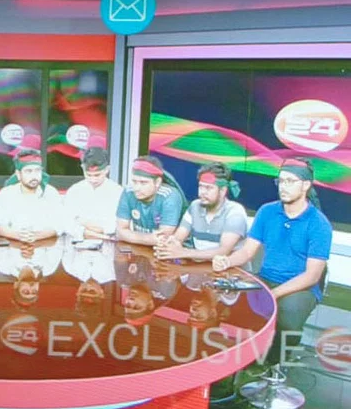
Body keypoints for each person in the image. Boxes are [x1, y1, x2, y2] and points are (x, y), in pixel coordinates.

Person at [213, 157, 333, 364]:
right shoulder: (267, 211)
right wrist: (227, 261)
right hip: (265, 279)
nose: (283, 187)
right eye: (281, 181)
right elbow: (247, 252)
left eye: (290, 181)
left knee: (286, 321)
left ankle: (272, 365)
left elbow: (312, 276)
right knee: (229, 306)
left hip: (300, 286)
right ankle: (237, 361)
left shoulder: (319, 224)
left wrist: (274, 294)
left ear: (305, 185)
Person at [155, 162, 250, 269]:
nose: (202, 192)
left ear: (223, 191)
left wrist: (183, 252)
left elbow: (223, 251)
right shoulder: (195, 206)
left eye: (208, 188)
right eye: (201, 187)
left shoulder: (235, 212)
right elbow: (178, 238)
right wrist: (168, 244)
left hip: (231, 272)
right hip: (199, 269)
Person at [0, 149, 63, 242]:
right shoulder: (6, 194)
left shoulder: (51, 193)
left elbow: (59, 224)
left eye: (37, 170)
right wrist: (18, 236)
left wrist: (37, 236)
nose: (34, 176)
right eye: (29, 171)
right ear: (18, 174)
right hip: (14, 245)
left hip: (44, 245)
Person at [116, 156, 186, 246]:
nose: (136, 188)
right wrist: (148, 239)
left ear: (157, 182)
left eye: (143, 183)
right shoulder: (128, 191)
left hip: (169, 250)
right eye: (134, 181)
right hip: (139, 247)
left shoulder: (169, 196)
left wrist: (131, 236)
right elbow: (120, 232)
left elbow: (163, 239)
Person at [63, 147, 123, 240]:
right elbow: (67, 223)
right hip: (78, 243)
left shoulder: (118, 192)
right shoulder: (75, 191)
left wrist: (82, 222)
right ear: (82, 168)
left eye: (97, 175)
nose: (93, 180)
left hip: (108, 244)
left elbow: (115, 226)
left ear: (107, 169)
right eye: (88, 175)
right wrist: (96, 233)